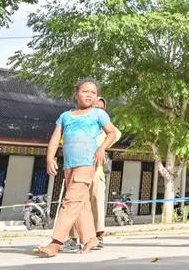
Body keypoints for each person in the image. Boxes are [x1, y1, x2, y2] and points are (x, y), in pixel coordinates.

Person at [36, 79, 117, 258]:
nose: (89, 94)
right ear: (76, 94)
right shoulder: (65, 116)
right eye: (85, 91)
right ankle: (90, 238)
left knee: (70, 201)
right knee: (81, 203)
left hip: (87, 163)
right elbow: (56, 138)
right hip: (69, 165)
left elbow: (112, 132)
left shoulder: (98, 114)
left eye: (93, 93)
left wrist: (102, 148)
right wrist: (50, 157)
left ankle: (56, 243)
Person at [62, 97, 122, 252]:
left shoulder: (103, 128)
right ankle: (73, 238)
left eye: (102, 109)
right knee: (75, 203)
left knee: (96, 202)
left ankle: (97, 236)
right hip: (77, 169)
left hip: (96, 171)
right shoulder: (75, 122)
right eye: (96, 108)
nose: (99, 111)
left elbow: (115, 134)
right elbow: (64, 140)